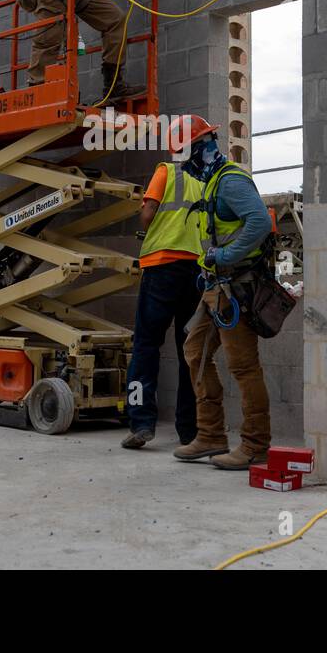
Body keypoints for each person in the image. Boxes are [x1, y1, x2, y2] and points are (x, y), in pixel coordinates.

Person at [171, 118, 275, 470]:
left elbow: (259, 221)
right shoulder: (212, 183)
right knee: (195, 351)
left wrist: (227, 257)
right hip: (216, 288)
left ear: (201, 147)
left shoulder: (230, 181)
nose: (184, 166)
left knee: (243, 366)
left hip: (236, 287)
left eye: (185, 156)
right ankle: (211, 434)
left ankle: (255, 444)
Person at [121, 154, 205, 449]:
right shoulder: (204, 181)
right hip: (195, 269)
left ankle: (141, 422)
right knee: (188, 353)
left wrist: (145, 221)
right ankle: (189, 431)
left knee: (145, 345)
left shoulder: (165, 171)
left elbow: (148, 213)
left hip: (161, 266)